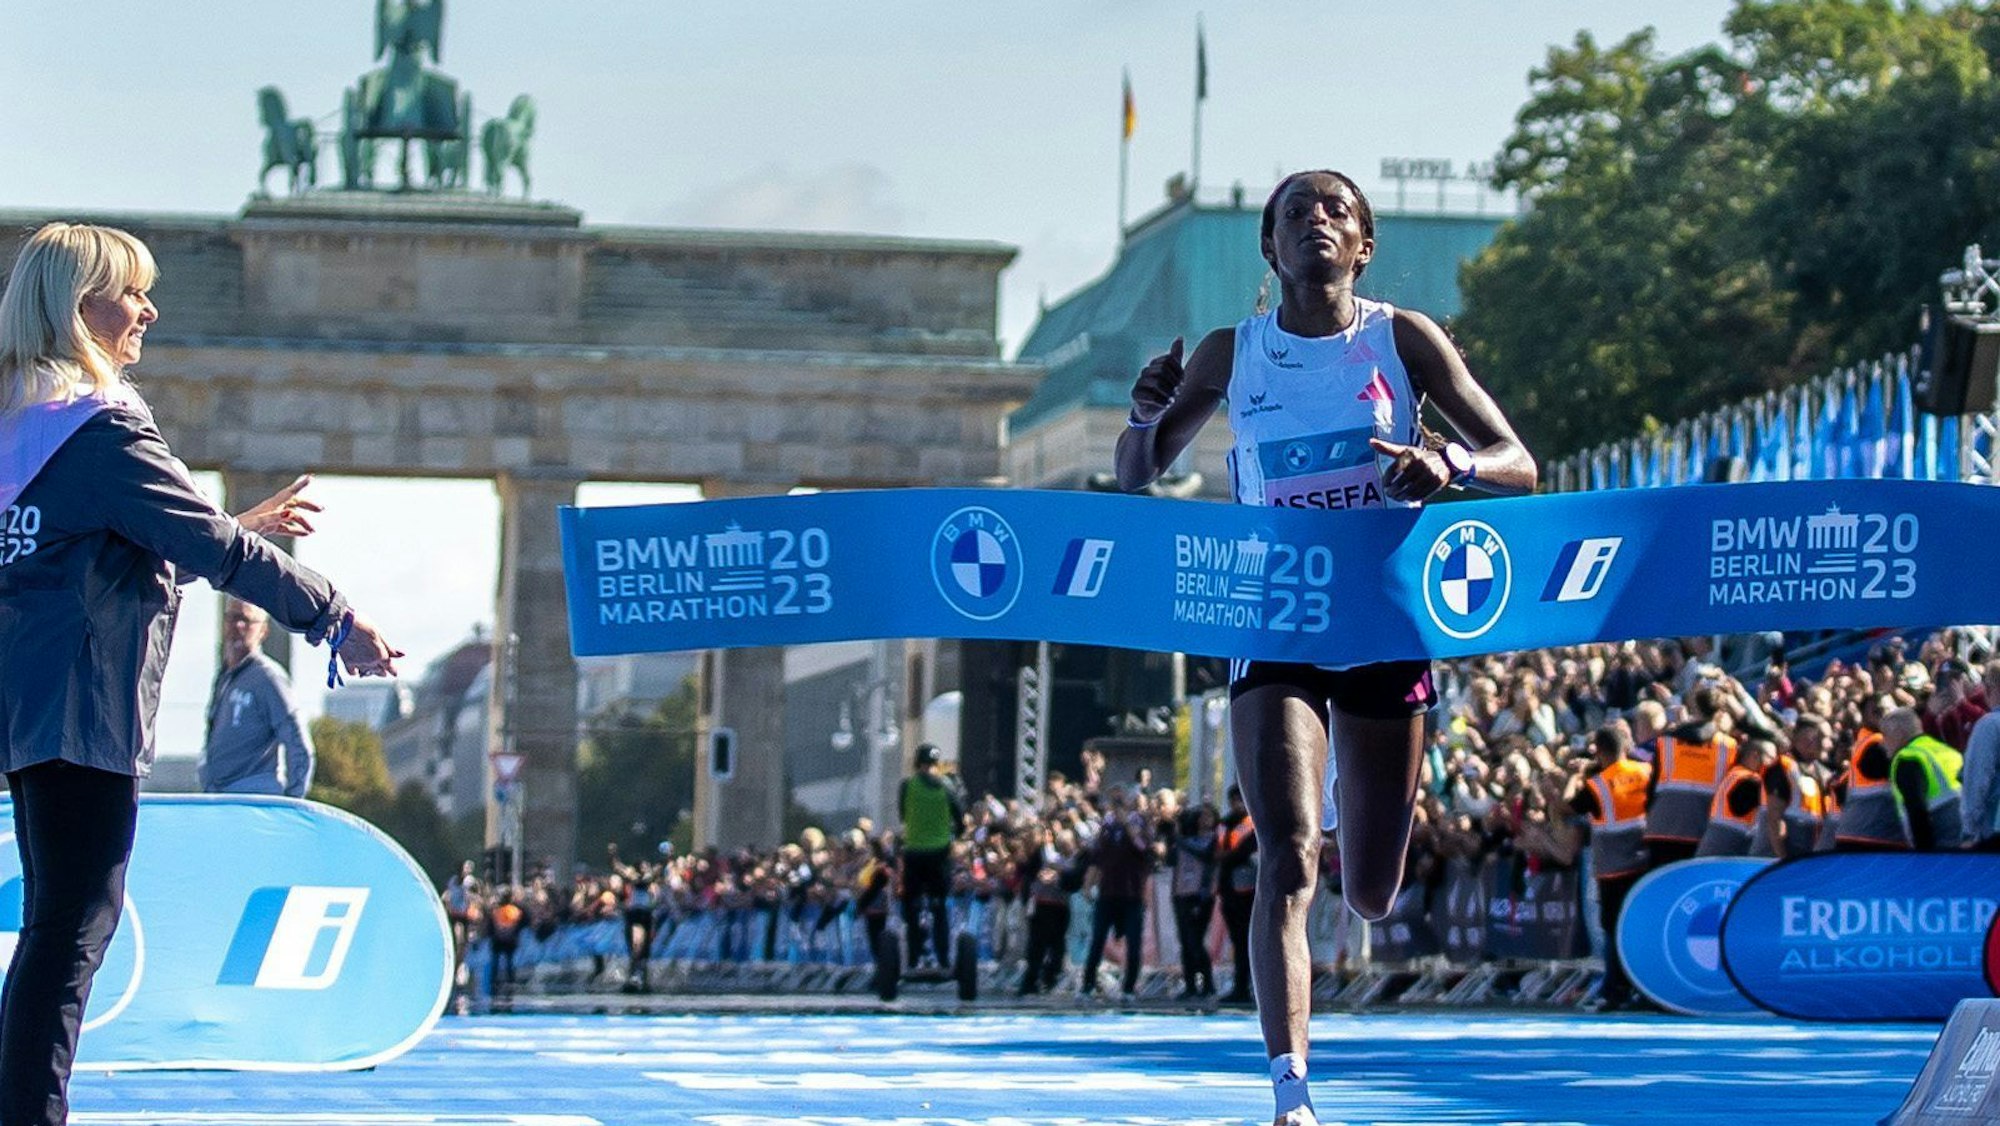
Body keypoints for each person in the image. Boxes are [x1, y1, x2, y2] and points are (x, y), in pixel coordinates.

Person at [1114, 170, 1535, 1126]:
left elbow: (1520, 460)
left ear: (1363, 245)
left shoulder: (1404, 338)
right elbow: (1138, 473)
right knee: (1290, 856)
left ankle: (1362, 816)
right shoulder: (1233, 353)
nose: (1316, 223)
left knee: (1375, 886)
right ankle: (1291, 1094)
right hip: (1275, 620)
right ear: (1271, 250)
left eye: (1335, 211)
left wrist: (1449, 462)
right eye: (1295, 214)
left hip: (1384, 619)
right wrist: (1145, 414)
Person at [0, 222, 400, 1126]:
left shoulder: (19, 422)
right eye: (131, 292)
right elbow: (202, 545)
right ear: (78, 309)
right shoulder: (96, 432)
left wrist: (237, 525)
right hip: (84, 713)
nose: (148, 309)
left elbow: (99, 564)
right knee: (71, 934)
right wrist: (334, 616)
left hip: (30, 713)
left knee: (56, 931)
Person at [1565, 725, 1650, 1010]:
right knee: (1641, 927)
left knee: (1614, 930)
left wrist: (1577, 775)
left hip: (1613, 867)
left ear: (1599, 752)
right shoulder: (1646, 772)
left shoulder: (1598, 784)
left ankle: (1615, 990)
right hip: (1644, 860)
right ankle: (1644, 988)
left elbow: (1568, 807)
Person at [199, 598, 316, 796]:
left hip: (253, 799)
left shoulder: (269, 678)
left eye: (246, 620)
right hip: (221, 798)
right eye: (233, 618)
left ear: (263, 631)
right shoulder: (225, 677)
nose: (238, 626)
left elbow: (299, 747)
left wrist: (291, 804)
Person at [1079, 785, 1152, 999]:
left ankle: (1129, 987)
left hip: (1131, 893)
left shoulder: (1141, 824)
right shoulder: (1107, 827)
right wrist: (1088, 884)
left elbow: (1142, 848)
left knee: (1133, 942)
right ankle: (1087, 984)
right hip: (1108, 892)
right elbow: (1098, 859)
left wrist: (1127, 823)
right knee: (1098, 938)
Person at [896, 743, 963, 969]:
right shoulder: (947, 786)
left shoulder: (908, 785)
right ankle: (944, 960)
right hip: (940, 854)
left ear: (917, 764)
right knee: (939, 905)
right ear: (937, 765)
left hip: (915, 852)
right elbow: (960, 817)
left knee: (912, 905)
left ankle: (914, 958)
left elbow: (903, 815)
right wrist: (954, 834)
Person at [1883, 707, 1964, 851]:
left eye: (1885, 735)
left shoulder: (1907, 758)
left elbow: (1917, 812)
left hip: (1943, 843)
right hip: (1969, 836)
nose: (1883, 743)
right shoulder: (1946, 750)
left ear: (1898, 733)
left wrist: (1923, 857)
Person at [1169, 803, 1219, 999]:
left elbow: (1205, 854)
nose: (1203, 821)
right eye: (1200, 817)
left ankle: (1207, 983)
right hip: (1181, 893)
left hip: (1200, 893)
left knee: (1195, 940)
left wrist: (1178, 839)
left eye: (1208, 817)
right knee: (1185, 941)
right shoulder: (1185, 839)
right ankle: (1190, 984)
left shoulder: (1212, 839)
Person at [1215, 785, 1258, 1004]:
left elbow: (1242, 853)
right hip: (1228, 888)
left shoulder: (1252, 824)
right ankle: (1240, 986)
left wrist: (1225, 857)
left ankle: (1247, 986)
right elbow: (1215, 851)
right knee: (1237, 941)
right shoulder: (1224, 823)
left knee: (1246, 941)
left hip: (1246, 890)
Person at [1961, 663, 2000, 852]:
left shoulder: (1990, 726)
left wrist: (1969, 832)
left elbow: (1977, 780)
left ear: (1991, 689)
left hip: (1994, 831)